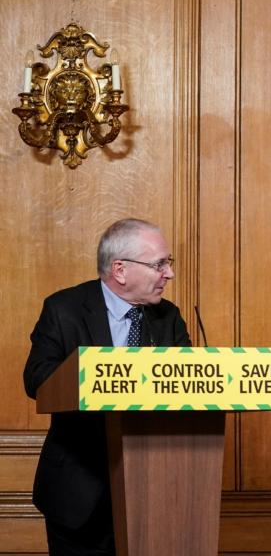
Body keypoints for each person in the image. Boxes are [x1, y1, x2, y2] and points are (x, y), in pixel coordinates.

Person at [23, 218, 190, 555]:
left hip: (153, 490)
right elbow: (38, 379)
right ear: (120, 270)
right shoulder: (64, 308)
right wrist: (102, 376)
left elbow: (186, 385)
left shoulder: (168, 317)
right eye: (160, 264)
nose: (168, 274)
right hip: (78, 489)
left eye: (167, 264)